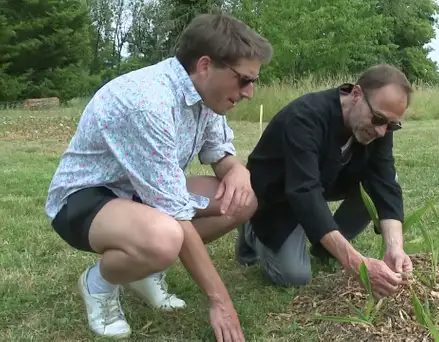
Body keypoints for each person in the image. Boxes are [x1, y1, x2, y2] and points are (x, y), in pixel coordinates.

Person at [45, 13, 272, 341]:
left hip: (142, 196)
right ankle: (99, 284)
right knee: (166, 237)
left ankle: (145, 270)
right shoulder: (148, 103)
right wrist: (220, 300)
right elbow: (174, 212)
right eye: (244, 80)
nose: (249, 92)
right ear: (206, 65)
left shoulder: (206, 96)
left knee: (240, 200)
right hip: (84, 199)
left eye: (254, 81)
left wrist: (237, 170)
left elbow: (219, 152)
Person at [236, 64, 414, 299]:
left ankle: (325, 248)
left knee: (377, 187)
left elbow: (385, 183)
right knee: (295, 275)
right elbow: (304, 192)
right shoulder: (305, 118)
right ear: (357, 94)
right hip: (276, 195)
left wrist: (395, 248)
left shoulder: (379, 124)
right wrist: (357, 264)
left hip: (322, 182)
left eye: (391, 125)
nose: (382, 131)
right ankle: (251, 227)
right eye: (379, 119)